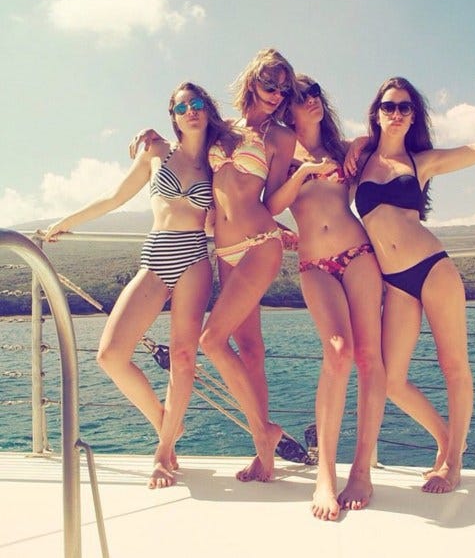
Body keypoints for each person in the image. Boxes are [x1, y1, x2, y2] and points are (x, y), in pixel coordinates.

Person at [43, 82, 229, 489]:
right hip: (156, 256)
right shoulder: (156, 152)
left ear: (207, 111)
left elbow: (227, 213)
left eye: (197, 104)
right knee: (110, 354)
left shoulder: (217, 161)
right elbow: (114, 197)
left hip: (195, 259)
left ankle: (163, 452)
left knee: (183, 356)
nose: (191, 111)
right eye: (182, 107)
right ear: (173, 116)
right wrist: (65, 223)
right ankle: (167, 426)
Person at [130, 48, 298, 483]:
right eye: (269, 85)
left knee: (211, 341)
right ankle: (265, 456)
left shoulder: (280, 137)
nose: (277, 95)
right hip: (224, 251)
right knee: (251, 351)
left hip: (260, 241)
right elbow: (182, 148)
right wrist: (149, 136)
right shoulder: (222, 130)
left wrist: (286, 211)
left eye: (284, 89)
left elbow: (271, 196)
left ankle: (264, 436)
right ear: (251, 83)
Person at [345, 67, 475, 493]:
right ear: (376, 113)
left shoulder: (423, 162)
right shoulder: (358, 161)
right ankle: (443, 436)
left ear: (413, 116)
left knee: (454, 366)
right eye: (389, 106)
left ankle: (452, 462)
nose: (396, 113)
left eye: (404, 107)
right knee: (392, 379)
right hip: (395, 282)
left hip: (434, 270)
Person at [264, 75, 386, 520]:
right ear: (286, 107)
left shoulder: (340, 150)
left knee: (370, 359)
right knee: (339, 353)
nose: (311, 100)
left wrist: (362, 141)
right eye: (300, 96)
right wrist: (303, 173)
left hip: (359, 255)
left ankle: (361, 470)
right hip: (315, 264)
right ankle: (325, 475)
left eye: (314, 92)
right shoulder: (281, 149)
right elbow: (272, 203)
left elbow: (385, 139)